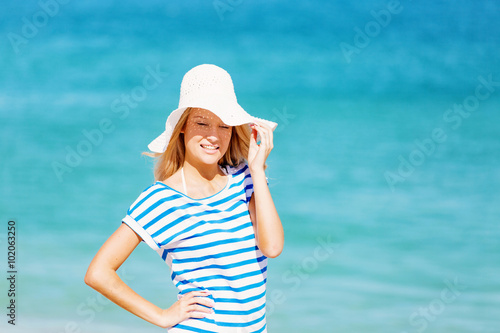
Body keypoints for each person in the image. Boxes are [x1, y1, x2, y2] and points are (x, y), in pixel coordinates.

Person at [85, 64, 284, 333]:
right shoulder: (160, 200)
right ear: (182, 127)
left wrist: (258, 171)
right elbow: (99, 272)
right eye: (202, 123)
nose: (213, 136)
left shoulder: (246, 179)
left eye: (224, 126)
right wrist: (162, 316)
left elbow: (272, 248)